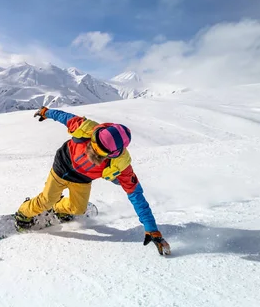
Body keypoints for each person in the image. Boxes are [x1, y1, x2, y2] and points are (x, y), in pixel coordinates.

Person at [15, 106, 171, 256]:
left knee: (78, 209)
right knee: (46, 201)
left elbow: (136, 195)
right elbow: (64, 117)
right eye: (94, 143)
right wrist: (46, 112)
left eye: (99, 152)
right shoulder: (86, 127)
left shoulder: (121, 166)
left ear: (112, 154)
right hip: (61, 167)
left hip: (82, 180)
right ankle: (23, 213)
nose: (92, 150)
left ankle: (60, 208)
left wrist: (152, 228)